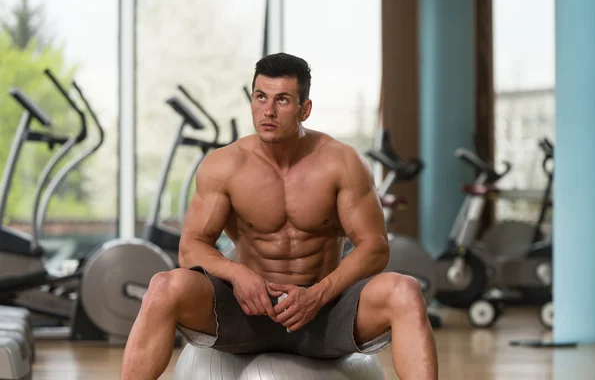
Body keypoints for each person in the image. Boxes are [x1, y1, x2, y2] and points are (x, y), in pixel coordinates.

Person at [120, 52, 438, 380]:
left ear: (305, 109)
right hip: (247, 314)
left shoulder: (341, 163)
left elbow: (375, 247)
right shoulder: (225, 165)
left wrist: (319, 294)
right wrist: (238, 275)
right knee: (163, 286)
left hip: (323, 314)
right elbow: (192, 248)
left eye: (283, 100)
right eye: (261, 97)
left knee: (406, 291)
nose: (268, 111)